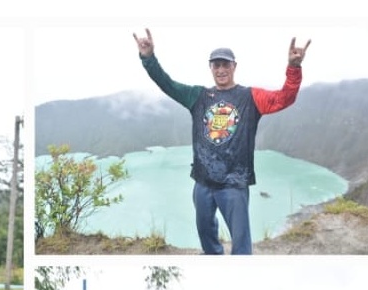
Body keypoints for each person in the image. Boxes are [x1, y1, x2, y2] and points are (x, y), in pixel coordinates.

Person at [133, 29, 311, 255]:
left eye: (225, 65)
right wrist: (148, 58)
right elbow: (166, 83)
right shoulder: (197, 97)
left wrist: (294, 67)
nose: (221, 70)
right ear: (211, 68)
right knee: (205, 234)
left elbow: (284, 98)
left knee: (241, 242)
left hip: (234, 184)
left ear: (234, 66)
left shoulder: (250, 97)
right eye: (216, 65)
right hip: (203, 182)